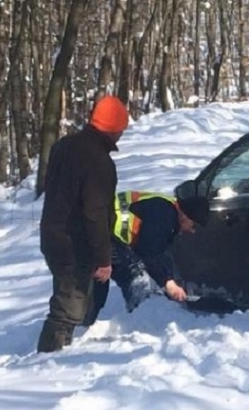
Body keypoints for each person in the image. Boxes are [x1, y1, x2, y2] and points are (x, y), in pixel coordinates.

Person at [37, 95, 129, 353]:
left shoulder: (64, 146)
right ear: (114, 128)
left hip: (52, 236)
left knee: (76, 303)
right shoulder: (99, 162)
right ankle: (44, 364)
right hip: (75, 246)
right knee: (66, 311)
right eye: (122, 128)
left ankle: (61, 350)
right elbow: (95, 213)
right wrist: (103, 258)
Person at [80, 189, 210, 327]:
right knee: (135, 277)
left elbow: (159, 252)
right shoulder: (164, 215)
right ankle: (142, 324)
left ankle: (83, 322)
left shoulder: (167, 208)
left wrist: (168, 278)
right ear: (185, 215)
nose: (192, 231)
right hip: (100, 233)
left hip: (100, 230)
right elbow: (147, 252)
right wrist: (168, 283)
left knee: (98, 284)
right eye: (194, 225)